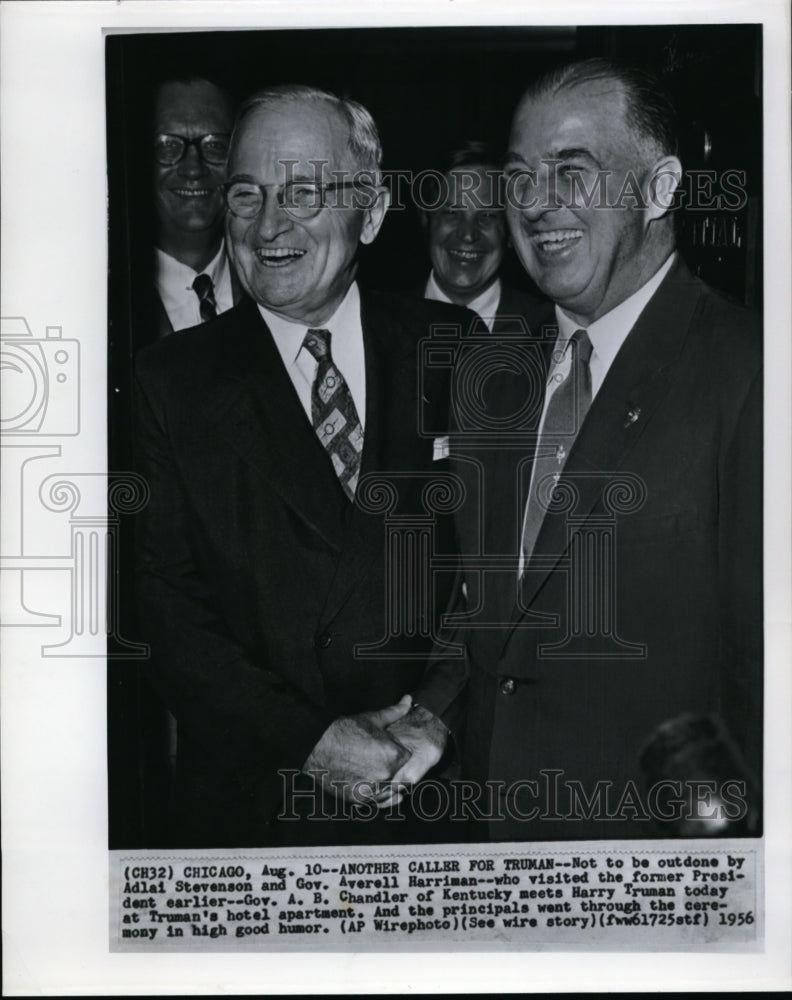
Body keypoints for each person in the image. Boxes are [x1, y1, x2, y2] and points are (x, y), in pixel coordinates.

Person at [404, 58, 763, 840]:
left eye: (573, 171)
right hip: (490, 851)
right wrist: (430, 718)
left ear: (662, 187)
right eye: (520, 176)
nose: (535, 204)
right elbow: (486, 608)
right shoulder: (493, 376)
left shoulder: (753, 373)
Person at [134, 85, 466, 847]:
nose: (268, 224)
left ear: (373, 211)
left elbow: (498, 568)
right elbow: (162, 610)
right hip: (256, 809)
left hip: (428, 795)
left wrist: (438, 714)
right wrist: (314, 743)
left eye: (303, 192)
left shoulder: (452, 347)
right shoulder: (170, 383)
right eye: (246, 194)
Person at [150, 76, 246, 336]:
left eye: (215, 145)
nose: (193, 169)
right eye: (168, 145)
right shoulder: (103, 300)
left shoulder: (275, 287)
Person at [419, 141, 546, 333]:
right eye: (452, 213)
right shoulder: (379, 322)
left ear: (510, 230)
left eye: (487, 216)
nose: (468, 235)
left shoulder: (548, 328)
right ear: (426, 219)